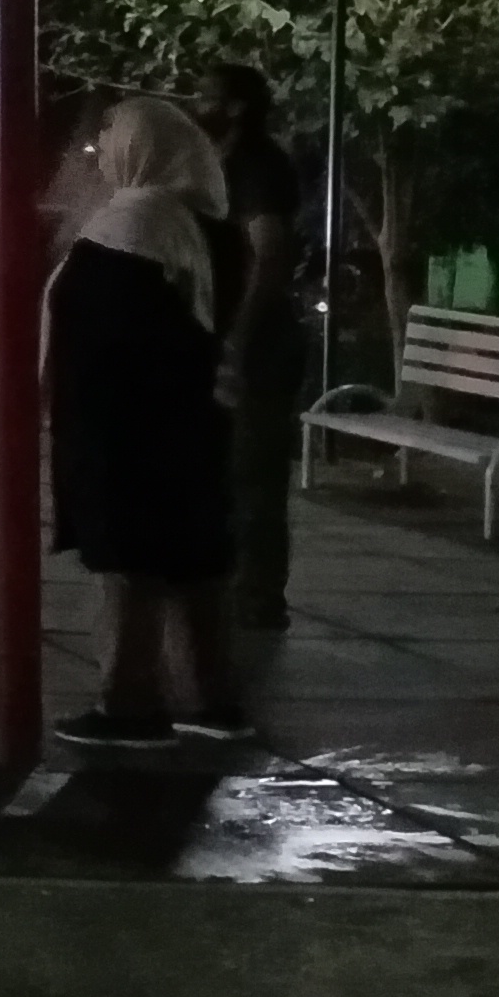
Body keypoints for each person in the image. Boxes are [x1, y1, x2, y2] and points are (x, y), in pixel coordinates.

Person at [46, 94, 253, 749]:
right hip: (189, 420)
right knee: (193, 561)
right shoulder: (205, 224)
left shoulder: (132, 224)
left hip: (126, 425)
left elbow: (106, 327)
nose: (104, 155)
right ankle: (213, 699)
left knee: (129, 562)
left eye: (112, 142)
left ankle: (129, 704)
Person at [194, 61, 305, 631]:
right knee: (227, 474)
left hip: (259, 345)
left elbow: (269, 254)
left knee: (253, 474)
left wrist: (239, 334)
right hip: (233, 336)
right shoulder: (224, 163)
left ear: (236, 107)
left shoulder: (257, 166)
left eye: (207, 95)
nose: (197, 104)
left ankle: (258, 597)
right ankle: (233, 587)